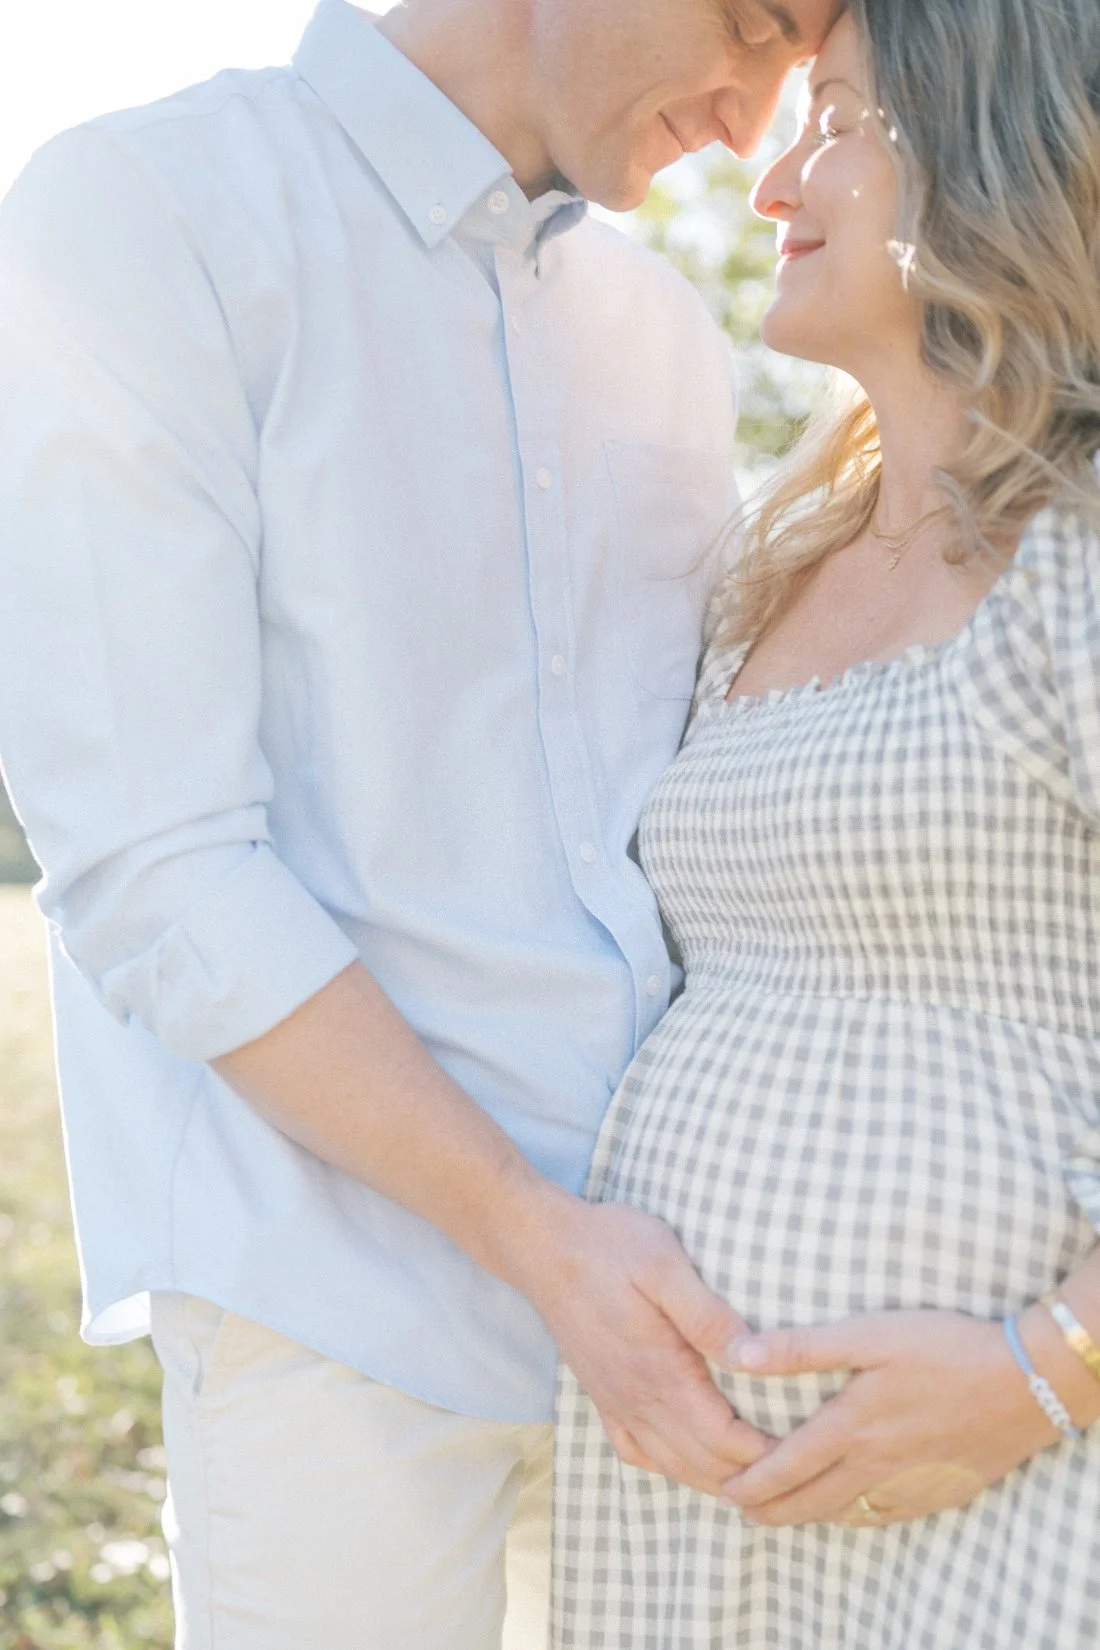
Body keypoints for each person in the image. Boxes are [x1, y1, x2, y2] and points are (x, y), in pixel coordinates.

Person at [0, 0, 844, 1644]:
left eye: (797, 74)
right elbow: (154, 863)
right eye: (749, 29)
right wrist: (540, 1242)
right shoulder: (147, 210)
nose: (754, 128)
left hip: (676, 1310)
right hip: (333, 1311)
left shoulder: (667, 333)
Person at [553, 1, 1100, 1645]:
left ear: (994, 153)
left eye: (843, 122)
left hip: (1013, 1487)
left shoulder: (1077, 555)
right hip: (694, 1508)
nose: (775, 176)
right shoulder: (770, 564)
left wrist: (1046, 1368)